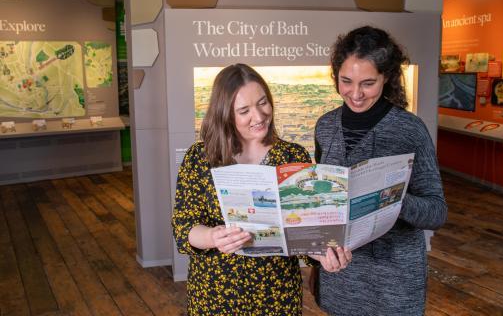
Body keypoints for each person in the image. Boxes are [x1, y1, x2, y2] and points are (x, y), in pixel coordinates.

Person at [171, 63, 351, 315]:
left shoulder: (292, 155)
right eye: (244, 110)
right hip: (216, 293)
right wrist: (212, 237)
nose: (259, 116)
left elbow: (307, 228)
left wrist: (322, 254)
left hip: (277, 292)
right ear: (225, 114)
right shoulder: (199, 157)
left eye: (263, 103)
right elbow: (183, 228)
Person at [313, 26, 448, 315]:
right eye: (346, 81)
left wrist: (393, 199)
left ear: (386, 78)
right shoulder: (325, 126)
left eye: (368, 83)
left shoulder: (410, 130)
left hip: (394, 282)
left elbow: (437, 212)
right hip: (340, 276)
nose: (356, 94)